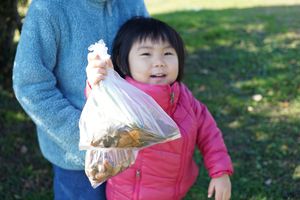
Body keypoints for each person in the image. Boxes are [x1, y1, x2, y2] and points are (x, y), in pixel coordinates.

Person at [85, 16, 234, 200]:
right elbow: (99, 103)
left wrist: (220, 172)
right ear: (123, 62)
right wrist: (96, 81)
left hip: (174, 192)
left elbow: (210, 134)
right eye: (146, 54)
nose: (159, 62)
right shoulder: (122, 97)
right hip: (126, 195)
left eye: (168, 54)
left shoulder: (185, 99)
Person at [12, 0, 148, 199]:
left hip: (131, 147)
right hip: (78, 160)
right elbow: (31, 86)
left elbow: (150, 57)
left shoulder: (132, 4)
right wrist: (86, 139)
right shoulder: (49, 7)